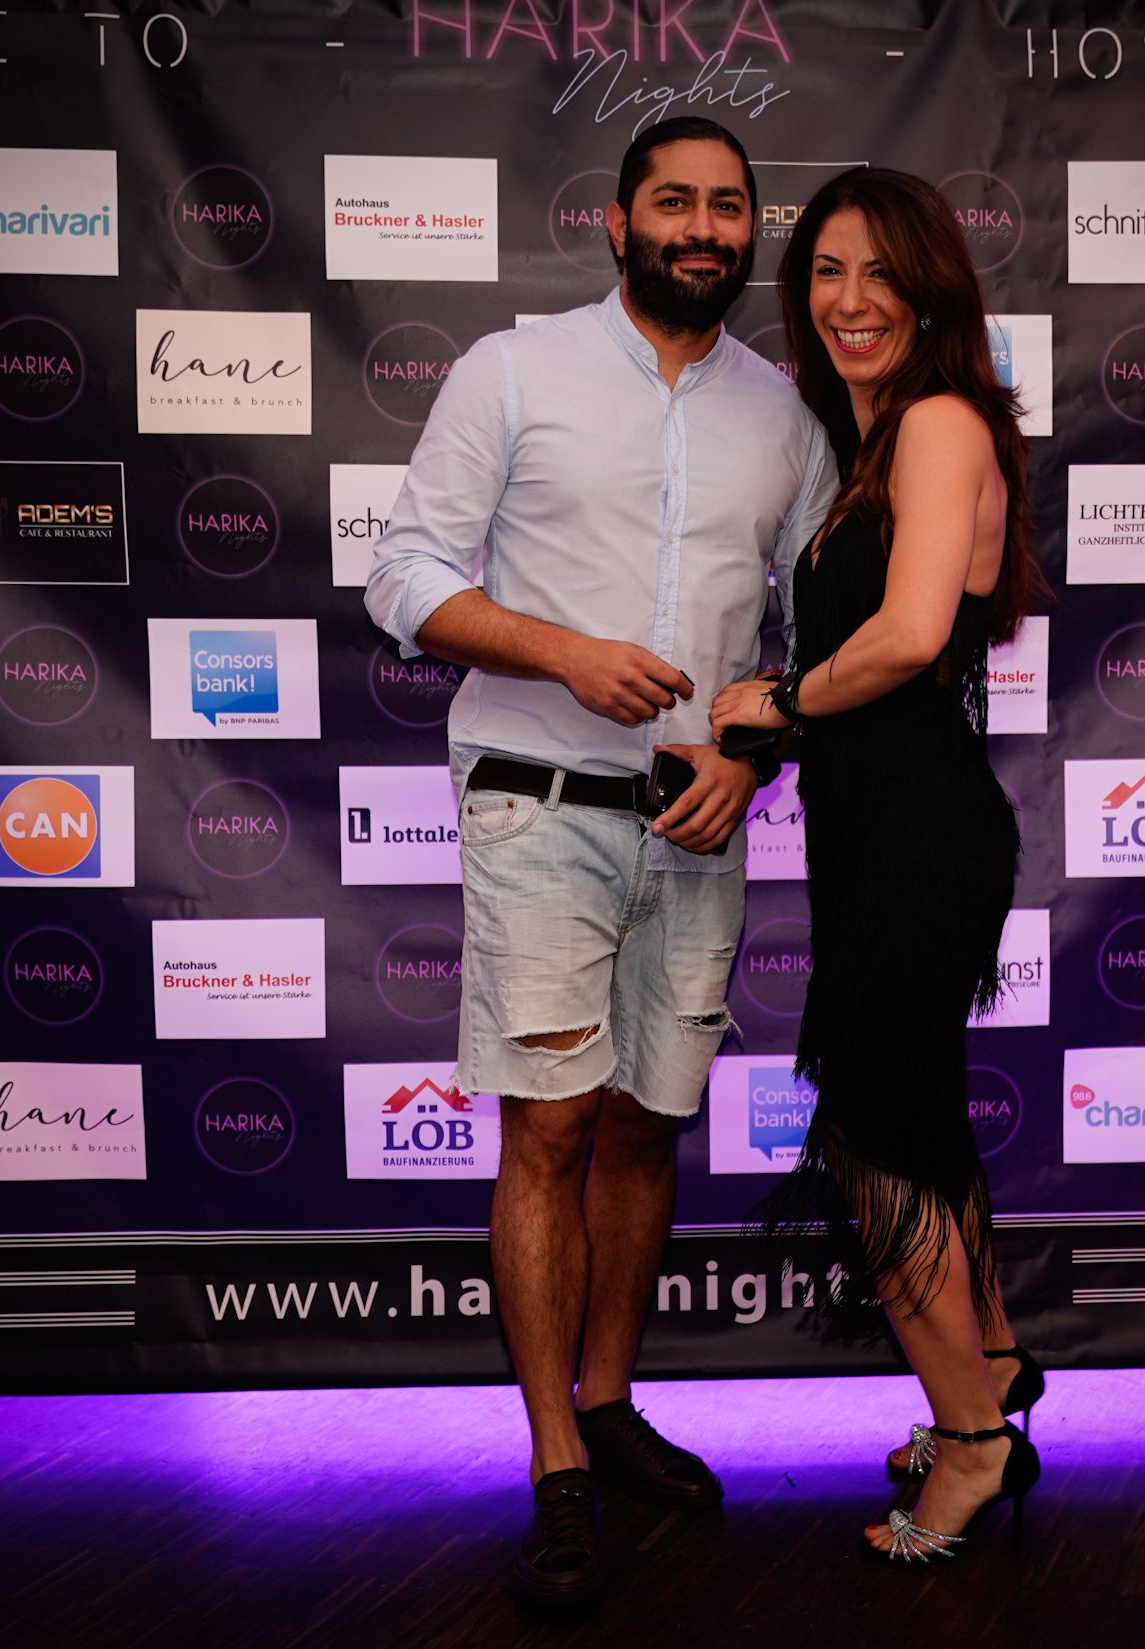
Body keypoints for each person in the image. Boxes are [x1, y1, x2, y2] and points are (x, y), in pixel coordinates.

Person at [364, 116, 836, 1605]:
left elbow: (820, 632)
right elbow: (404, 577)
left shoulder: (787, 415)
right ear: (617, 223)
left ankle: (611, 1401)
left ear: (750, 230)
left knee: (644, 1128)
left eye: (728, 207)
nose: (703, 227)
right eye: (673, 202)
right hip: (537, 803)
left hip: (700, 819)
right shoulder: (514, 370)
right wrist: (562, 652)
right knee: (551, 1131)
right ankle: (555, 1460)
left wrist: (754, 757)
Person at [710, 167, 1047, 1564]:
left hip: (917, 834)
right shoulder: (871, 441)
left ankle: (970, 1442)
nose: (850, 301)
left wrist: (778, 700)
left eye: (880, 273)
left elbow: (908, 636)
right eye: (827, 272)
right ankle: (996, 1374)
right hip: (878, 831)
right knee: (916, 1122)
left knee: (874, 1139)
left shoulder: (939, 422)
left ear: (931, 288)